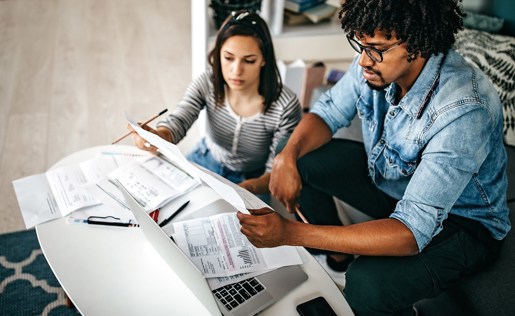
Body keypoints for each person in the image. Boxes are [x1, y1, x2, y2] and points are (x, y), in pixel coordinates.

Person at [237, 0, 510, 314]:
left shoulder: (463, 110)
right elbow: (326, 114)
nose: (364, 60)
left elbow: (410, 231)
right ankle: (336, 259)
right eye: (361, 45)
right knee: (298, 149)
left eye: (376, 49)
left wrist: (290, 234)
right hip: (395, 184)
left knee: (367, 282)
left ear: (418, 43)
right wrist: (286, 157)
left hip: (462, 226)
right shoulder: (375, 61)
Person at [130, 10, 301, 197]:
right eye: (228, 58)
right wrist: (156, 137)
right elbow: (179, 120)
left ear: (264, 60)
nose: (236, 71)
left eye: (249, 61)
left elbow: (276, 171)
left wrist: (246, 189)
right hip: (205, 160)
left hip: (255, 180)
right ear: (218, 54)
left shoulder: (285, 106)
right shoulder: (207, 82)